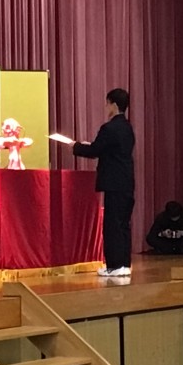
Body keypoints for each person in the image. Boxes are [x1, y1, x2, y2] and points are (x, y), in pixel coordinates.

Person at [72, 88, 135, 277]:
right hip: (126, 180)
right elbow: (109, 149)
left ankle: (114, 265)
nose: (106, 107)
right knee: (123, 224)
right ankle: (124, 264)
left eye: (107, 103)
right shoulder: (128, 128)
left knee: (112, 225)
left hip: (113, 182)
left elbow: (95, 150)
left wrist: (76, 146)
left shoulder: (109, 128)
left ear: (114, 105)